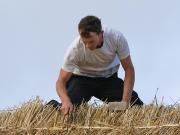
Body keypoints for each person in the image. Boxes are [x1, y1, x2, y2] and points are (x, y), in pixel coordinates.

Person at [49, 15, 143, 115]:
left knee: (136, 105)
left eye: (91, 41)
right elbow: (60, 81)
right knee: (68, 110)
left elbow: (129, 69)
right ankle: (51, 106)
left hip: (108, 80)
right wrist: (65, 101)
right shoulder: (74, 49)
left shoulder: (116, 38)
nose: (87, 46)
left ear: (101, 34)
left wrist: (125, 103)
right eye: (84, 42)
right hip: (81, 80)